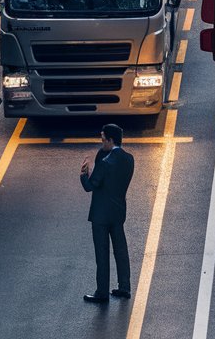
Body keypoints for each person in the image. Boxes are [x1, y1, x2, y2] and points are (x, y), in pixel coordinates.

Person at [80, 123, 134, 304]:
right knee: (121, 250)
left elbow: (90, 186)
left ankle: (102, 292)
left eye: (103, 140)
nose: (101, 143)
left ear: (111, 140)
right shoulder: (129, 159)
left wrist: (83, 173)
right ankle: (124, 286)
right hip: (118, 212)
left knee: (102, 254)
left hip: (100, 215)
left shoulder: (104, 163)